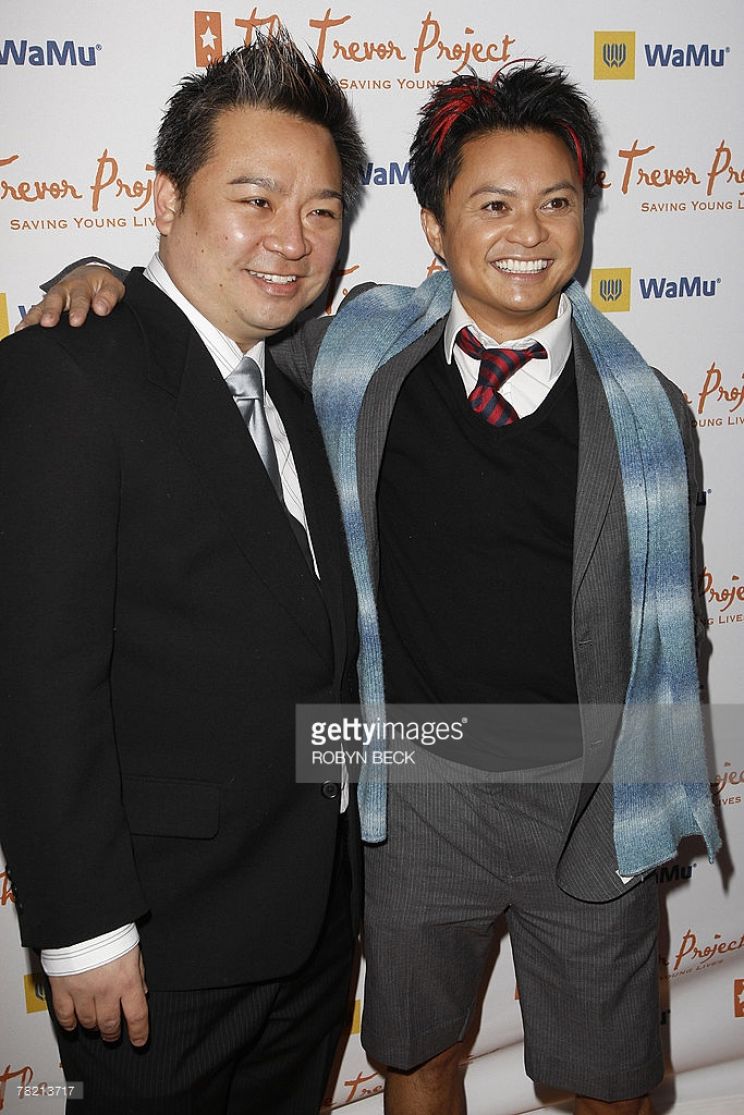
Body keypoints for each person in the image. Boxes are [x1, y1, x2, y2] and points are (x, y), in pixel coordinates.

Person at [24, 63, 719, 1115]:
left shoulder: (651, 411)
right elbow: (197, 324)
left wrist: (657, 783)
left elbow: (680, 629)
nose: (528, 232)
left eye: (557, 202)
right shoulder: (352, 353)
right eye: (493, 204)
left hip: (592, 794)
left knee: (612, 1085)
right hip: (412, 786)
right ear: (435, 226)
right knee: (415, 1058)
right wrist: (92, 272)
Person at [0, 32, 365, 1115]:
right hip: (159, 948)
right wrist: (82, 928)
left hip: (310, 926)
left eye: (322, 210)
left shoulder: (293, 383)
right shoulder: (67, 370)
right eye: (256, 199)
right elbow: (36, 676)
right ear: (165, 199)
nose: (292, 240)